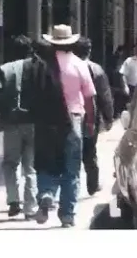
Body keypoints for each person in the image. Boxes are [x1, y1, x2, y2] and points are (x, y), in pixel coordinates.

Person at [29, 25, 96, 228]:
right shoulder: (79, 65)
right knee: (71, 168)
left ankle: (46, 193)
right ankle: (67, 214)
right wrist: (91, 122)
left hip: (46, 122)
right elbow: (89, 97)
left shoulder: (41, 65)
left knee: (45, 162)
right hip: (73, 120)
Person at [0, 35, 37, 219]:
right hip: (34, 122)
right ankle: (30, 207)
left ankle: (13, 201)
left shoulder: (5, 69)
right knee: (31, 166)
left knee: (10, 163)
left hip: (12, 122)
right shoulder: (38, 68)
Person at [74, 37, 114, 195]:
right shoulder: (96, 69)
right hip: (91, 117)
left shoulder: (68, 68)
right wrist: (109, 117)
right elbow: (105, 96)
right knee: (90, 152)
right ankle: (93, 184)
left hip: (71, 116)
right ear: (89, 51)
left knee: (72, 152)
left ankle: (73, 186)